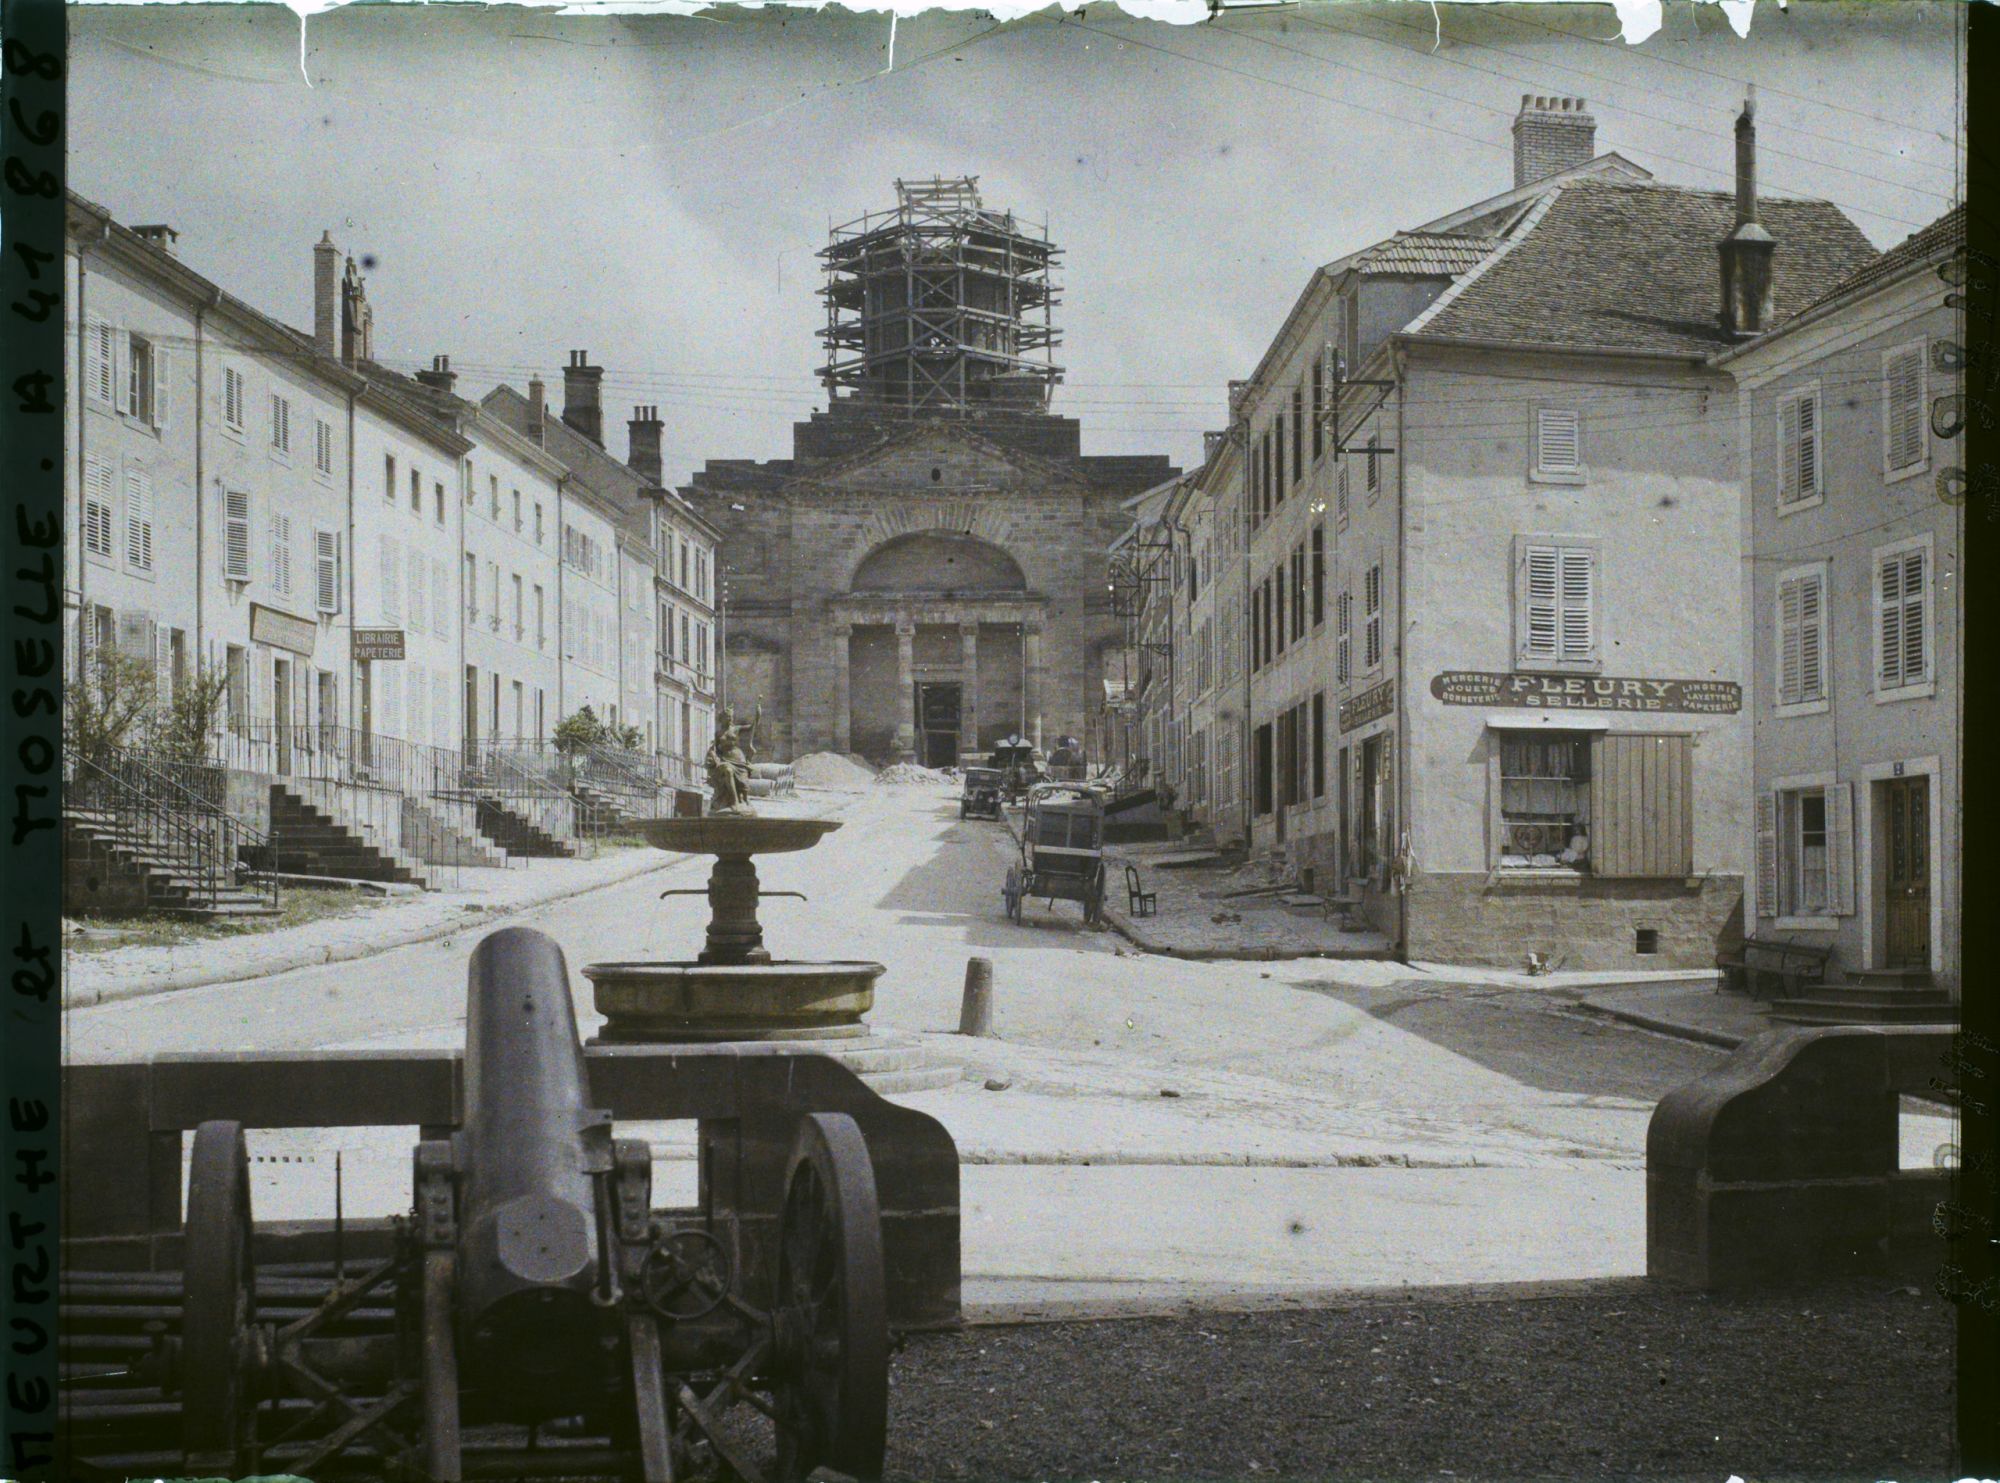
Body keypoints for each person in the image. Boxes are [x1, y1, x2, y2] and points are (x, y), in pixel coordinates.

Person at [704, 702, 762, 815]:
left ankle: (742, 800)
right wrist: (713, 758)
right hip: (725, 760)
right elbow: (714, 749)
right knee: (728, 770)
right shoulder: (718, 733)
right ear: (722, 719)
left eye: (731, 717)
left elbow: (751, 727)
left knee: (744, 786)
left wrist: (758, 715)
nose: (730, 719)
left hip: (738, 759)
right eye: (728, 717)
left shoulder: (736, 729)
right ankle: (734, 802)